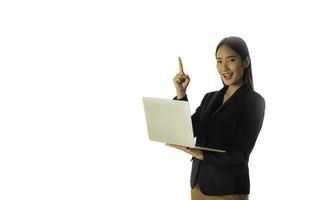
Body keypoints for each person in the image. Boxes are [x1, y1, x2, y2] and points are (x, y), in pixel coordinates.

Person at [167, 36, 265, 200]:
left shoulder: (253, 102)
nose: (224, 67)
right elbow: (187, 129)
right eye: (219, 61)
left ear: (245, 62)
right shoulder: (210, 98)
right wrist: (181, 94)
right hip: (198, 186)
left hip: (228, 190)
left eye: (231, 60)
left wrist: (201, 154)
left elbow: (241, 153)